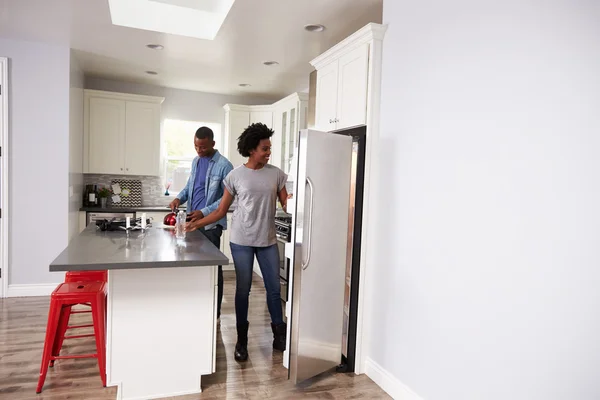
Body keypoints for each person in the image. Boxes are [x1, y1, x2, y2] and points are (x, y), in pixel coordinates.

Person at [185, 122, 288, 362]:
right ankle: (242, 341)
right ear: (253, 149)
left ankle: (279, 335)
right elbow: (221, 211)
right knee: (243, 290)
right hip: (241, 239)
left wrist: (301, 197)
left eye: (269, 148)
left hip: (267, 239)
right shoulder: (235, 175)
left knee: (274, 290)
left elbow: (286, 204)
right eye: (265, 148)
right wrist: (196, 224)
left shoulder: (276, 174)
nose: (268, 152)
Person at [169, 126, 233, 321]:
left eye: (203, 147)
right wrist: (179, 199)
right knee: (193, 265)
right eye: (196, 146)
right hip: (191, 222)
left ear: (213, 143)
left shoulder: (224, 166)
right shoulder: (196, 161)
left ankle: (215, 312)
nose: (199, 151)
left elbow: (224, 199)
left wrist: (203, 211)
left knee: (213, 268)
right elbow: (190, 187)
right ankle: (197, 305)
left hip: (210, 225)